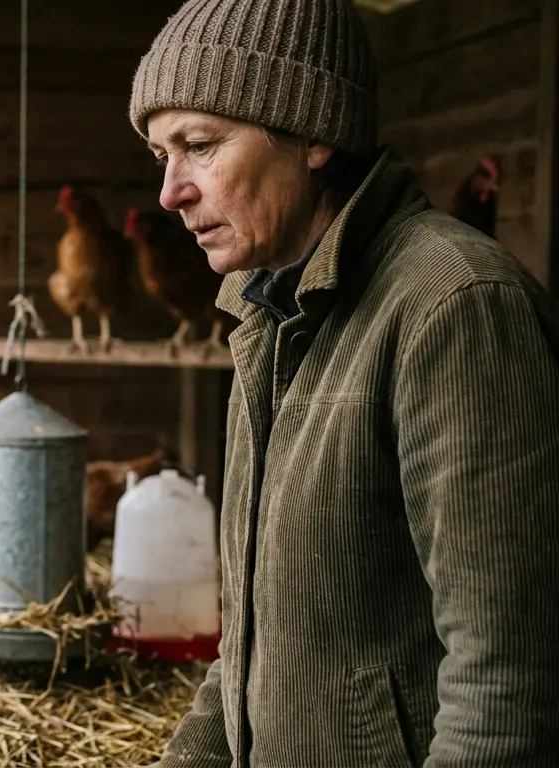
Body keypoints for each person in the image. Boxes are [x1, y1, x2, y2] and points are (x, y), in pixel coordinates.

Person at [126, 0, 559, 765]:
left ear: (314, 134)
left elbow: (505, 688)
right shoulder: (265, 315)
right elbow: (252, 646)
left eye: (199, 145)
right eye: (162, 155)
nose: (171, 192)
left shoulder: (454, 305)